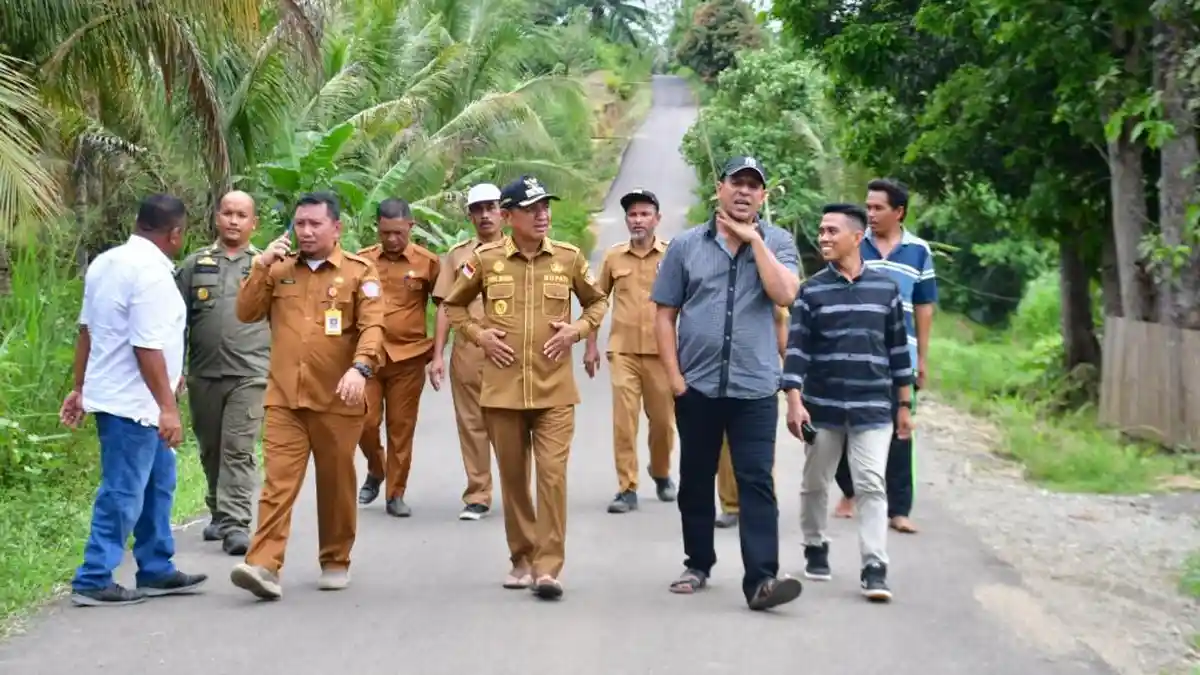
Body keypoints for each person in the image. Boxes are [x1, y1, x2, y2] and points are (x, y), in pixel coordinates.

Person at [441, 175, 608, 600]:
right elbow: (454, 305)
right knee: (514, 480)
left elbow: (597, 300)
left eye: (545, 207)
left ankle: (549, 568)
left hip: (555, 392)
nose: (542, 215)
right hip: (501, 391)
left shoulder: (567, 259)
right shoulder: (486, 260)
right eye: (532, 209)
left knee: (551, 478)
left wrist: (576, 330)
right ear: (508, 215)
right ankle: (521, 557)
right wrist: (480, 337)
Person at [651, 156, 803, 611]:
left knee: (756, 481)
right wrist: (675, 379)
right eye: (736, 183)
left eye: (753, 187)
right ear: (720, 189)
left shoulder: (778, 241)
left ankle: (761, 581)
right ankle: (697, 562)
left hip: (755, 388)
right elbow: (664, 313)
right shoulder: (685, 246)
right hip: (696, 387)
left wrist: (754, 240)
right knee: (696, 479)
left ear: (763, 197)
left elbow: (785, 294)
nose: (744, 192)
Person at [229, 192, 384, 600]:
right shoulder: (278, 270)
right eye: (300, 224)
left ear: (337, 228)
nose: (307, 231)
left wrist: (360, 367)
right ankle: (263, 564)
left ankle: (335, 558)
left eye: (316, 224)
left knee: (336, 484)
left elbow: (373, 327)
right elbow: (245, 313)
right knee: (277, 483)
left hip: (338, 399)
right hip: (284, 397)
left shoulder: (358, 272)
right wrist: (261, 267)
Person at [59, 193, 208, 607]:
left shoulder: (107, 262)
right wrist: (167, 407)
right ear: (175, 233)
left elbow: (87, 331)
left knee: (160, 483)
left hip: (121, 397)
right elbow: (147, 346)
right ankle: (93, 577)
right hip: (134, 405)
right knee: (123, 491)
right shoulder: (152, 275)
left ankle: (156, 567)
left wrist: (80, 387)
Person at [783, 203, 914, 603]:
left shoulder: (886, 289)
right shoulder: (811, 290)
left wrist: (905, 405)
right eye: (821, 231)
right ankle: (815, 545)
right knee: (814, 483)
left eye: (831, 231)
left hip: (874, 407)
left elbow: (897, 349)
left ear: (857, 238)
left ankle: (875, 566)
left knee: (871, 482)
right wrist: (793, 399)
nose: (823, 237)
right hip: (822, 406)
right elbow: (798, 349)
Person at [832, 179, 937, 534]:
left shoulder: (919, 251)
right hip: (852, 354)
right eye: (868, 207)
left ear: (899, 212)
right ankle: (850, 491)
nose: (871, 214)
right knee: (842, 427)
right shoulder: (854, 245)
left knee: (900, 430)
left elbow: (924, 306)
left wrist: (921, 358)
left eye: (878, 208)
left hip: (898, 356)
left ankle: (899, 509)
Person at [175, 190, 270, 556]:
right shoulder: (195, 264)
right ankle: (218, 510)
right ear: (216, 218)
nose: (234, 221)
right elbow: (174, 321)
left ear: (253, 223)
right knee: (211, 447)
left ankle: (236, 524)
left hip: (251, 374)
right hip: (203, 374)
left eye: (242, 215)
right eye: (228, 213)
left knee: (238, 449)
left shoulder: (266, 265)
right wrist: (176, 368)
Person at [583, 188, 677, 515]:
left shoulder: (673, 255)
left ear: (657, 219)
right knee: (625, 422)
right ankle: (627, 487)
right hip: (622, 352)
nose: (637, 220)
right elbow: (597, 301)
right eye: (632, 215)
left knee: (663, 423)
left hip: (662, 355)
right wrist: (591, 346)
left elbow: (689, 303)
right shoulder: (613, 257)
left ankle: (662, 471)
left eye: (644, 214)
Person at [354, 199, 440, 518]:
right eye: (386, 232)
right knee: (364, 422)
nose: (392, 239)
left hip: (409, 358)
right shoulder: (362, 262)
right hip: (370, 359)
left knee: (401, 428)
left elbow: (445, 305)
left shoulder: (428, 263)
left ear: (411, 227)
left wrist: (438, 352)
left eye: (399, 233)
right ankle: (377, 469)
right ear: (377, 227)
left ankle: (395, 493)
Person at [428, 183, 504, 521]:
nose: (485, 215)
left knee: (511, 424)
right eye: (478, 209)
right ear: (470, 215)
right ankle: (478, 494)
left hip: (509, 351)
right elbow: (446, 305)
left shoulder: (520, 250)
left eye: (491, 207)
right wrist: (436, 356)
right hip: (468, 351)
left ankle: (519, 491)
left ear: (503, 211)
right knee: (472, 423)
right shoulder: (459, 255)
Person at [714, 304, 790, 528]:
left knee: (760, 451)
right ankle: (731, 505)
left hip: (759, 375)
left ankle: (761, 503)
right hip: (722, 373)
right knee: (725, 444)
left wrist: (791, 367)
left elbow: (779, 323)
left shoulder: (768, 278)